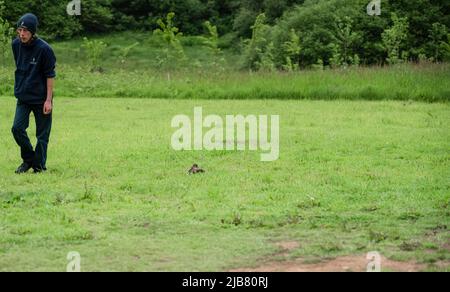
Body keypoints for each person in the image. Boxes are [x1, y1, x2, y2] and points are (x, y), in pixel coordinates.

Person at [11, 13, 56, 174]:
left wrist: (48, 100)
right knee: (17, 128)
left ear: (33, 32)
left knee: (42, 135)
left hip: (41, 98)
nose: (22, 34)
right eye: (20, 30)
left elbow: (50, 76)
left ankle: (39, 166)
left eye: (25, 30)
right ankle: (29, 159)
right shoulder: (16, 44)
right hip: (23, 96)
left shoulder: (45, 49)